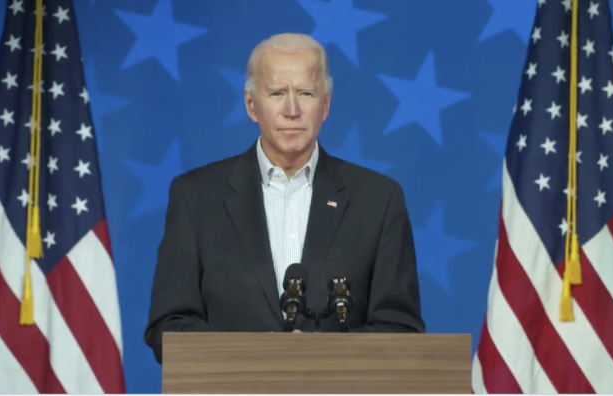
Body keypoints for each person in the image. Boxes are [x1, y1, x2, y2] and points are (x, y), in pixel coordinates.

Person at [144, 33, 425, 364]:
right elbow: (168, 328)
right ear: (251, 105)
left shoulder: (379, 199)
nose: (292, 110)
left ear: (326, 104)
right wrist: (260, 356)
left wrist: (319, 356)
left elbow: (401, 330)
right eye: (277, 93)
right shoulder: (195, 197)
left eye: (305, 93)